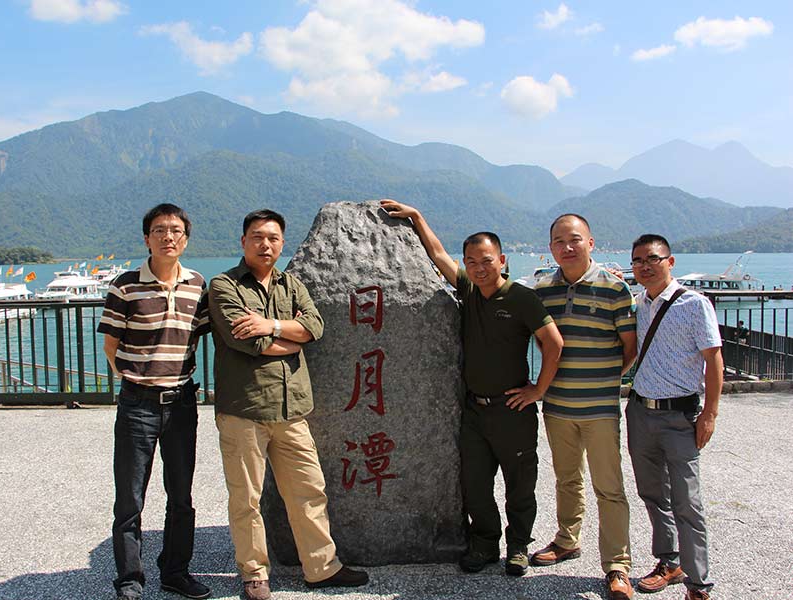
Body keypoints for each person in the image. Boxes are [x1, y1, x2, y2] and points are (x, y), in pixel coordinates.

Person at [381, 199, 564, 577]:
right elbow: (437, 255)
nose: (479, 268)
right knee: (475, 486)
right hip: (475, 412)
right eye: (472, 261)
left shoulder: (521, 298)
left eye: (486, 260)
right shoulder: (467, 290)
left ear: (502, 260)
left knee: (519, 485)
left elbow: (554, 343)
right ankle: (484, 543)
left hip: (512, 410)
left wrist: (538, 390)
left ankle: (518, 546)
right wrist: (417, 216)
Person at [208, 209, 368, 600]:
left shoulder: (291, 284)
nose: (265, 244)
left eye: (273, 238)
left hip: (292, 409)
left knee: (309, 491)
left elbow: (315, 326)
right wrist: (290, 340)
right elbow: (246, 340)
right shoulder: (224, 285)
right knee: (246, 498)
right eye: (257, 237)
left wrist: (273, 325)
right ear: (243, 241)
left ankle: (321, 568)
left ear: (282, 243)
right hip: (244, 408)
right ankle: (254, 574)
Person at [98, 203, 211, 600]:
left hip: (182, 402)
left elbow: (205, 333)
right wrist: (135, 381)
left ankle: (175, 572)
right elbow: (111, 345)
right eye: (160, 230)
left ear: (186, 239)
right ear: (147, 238)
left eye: (176, 230)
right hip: (138, 404)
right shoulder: (125, 285)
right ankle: (130, 579)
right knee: (130, 499)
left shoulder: (198, 285)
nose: (168, 237)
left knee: (181, 496)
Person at [531, 214, 638, 600]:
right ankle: (567, 539)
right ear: (551, 248)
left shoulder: (615, 288)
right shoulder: (542, 291)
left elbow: (630, 348)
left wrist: (604, 380)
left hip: (600, 409)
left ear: (590, 243)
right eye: (559, 241)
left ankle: (617, 565)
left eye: (574, 239)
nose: (567, 247)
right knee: (566, 479)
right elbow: (543, 342)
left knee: (609, 487)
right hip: (557, 406)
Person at [626, 234, 722, 600]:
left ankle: (699, 584)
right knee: (652, 492)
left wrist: (709, 414)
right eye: (638, 261)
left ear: (670, 261)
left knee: (687, 500)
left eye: (652, 258)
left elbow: (714, 360)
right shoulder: (639, 304)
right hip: (640, 411)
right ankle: (669, 561)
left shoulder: (694, 305)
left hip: (679, 414)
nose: (645, 266)